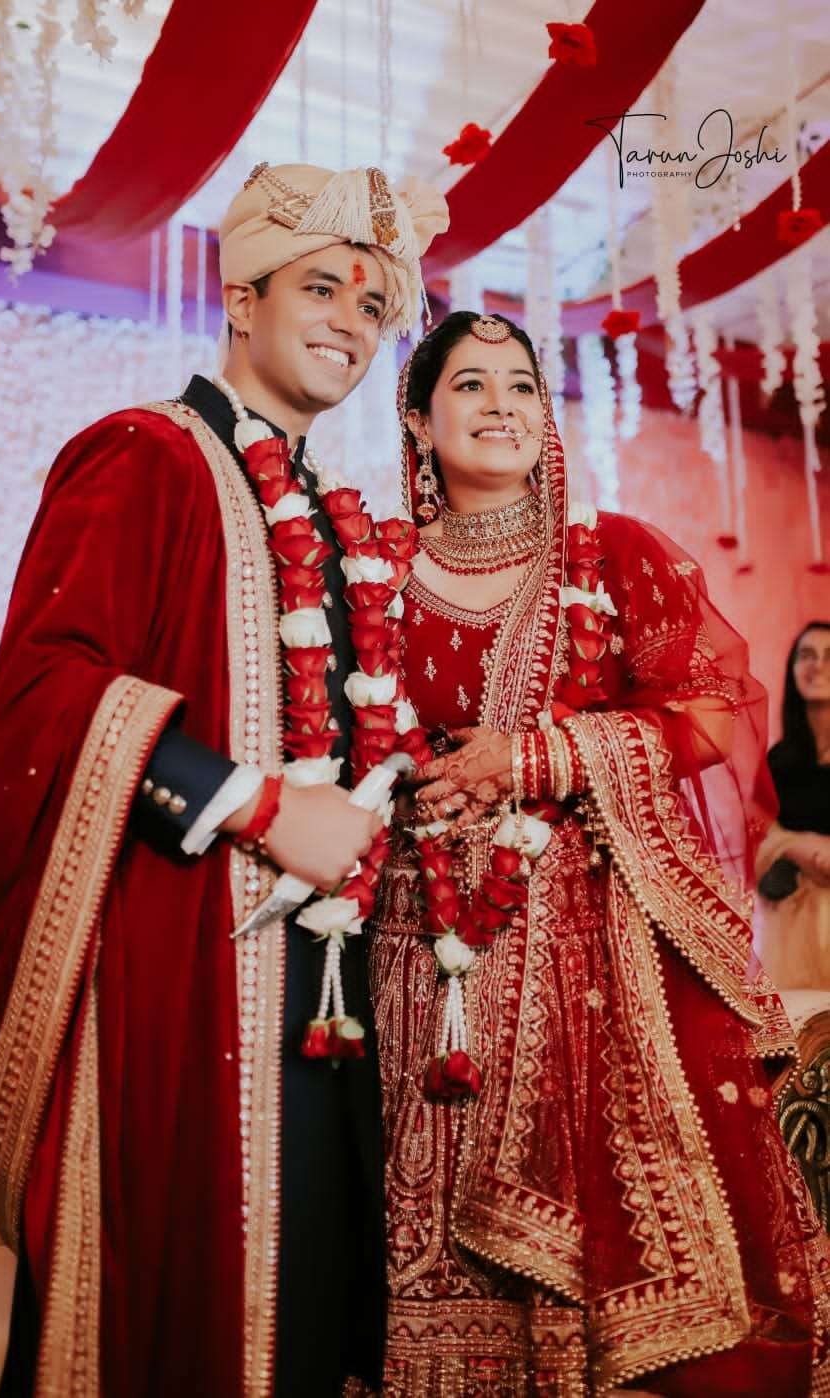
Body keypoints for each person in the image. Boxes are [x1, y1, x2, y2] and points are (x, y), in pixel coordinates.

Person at [0, 162, 447, 1397]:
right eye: (320, 288)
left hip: (328, 987)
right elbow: (43, 692)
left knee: (312, 1310)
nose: (349, 322)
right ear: (240, 299)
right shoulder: (145, 457)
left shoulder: (332, 516)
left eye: (373, 306)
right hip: (180, 975)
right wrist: (264, 806)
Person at [363, 312, 830, 1397]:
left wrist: (541, 755)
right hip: (409, 941)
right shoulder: (373, 571)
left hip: (587, 944)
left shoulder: (610, 553)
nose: (501, 406)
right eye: (469, 385)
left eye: (521, 386)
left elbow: (709, 710)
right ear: (418, 419)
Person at [755, 622, 830, 990]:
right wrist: (799, 848)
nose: (818, 665)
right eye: (806, 655)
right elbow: (756, 833)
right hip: (790, 928)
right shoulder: (779, 759)